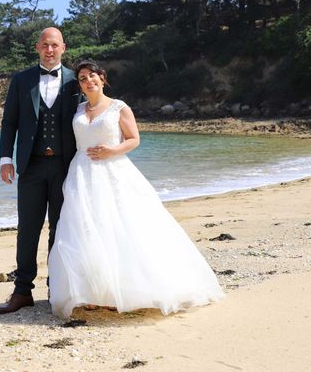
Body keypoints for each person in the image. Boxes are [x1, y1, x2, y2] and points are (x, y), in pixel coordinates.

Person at [48, 60, 225, 318]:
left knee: (118, 227)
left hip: (112, 170)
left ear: (103, 78)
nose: (89, 81)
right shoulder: (78, 109)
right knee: (85, 229)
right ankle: (93, 292)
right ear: (80, 84)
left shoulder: (118, 107)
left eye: (93, 76)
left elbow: (134, 139)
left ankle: (120, 291)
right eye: (83, 78)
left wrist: (111, 150)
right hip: (81, 173)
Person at [0, 27, 80, 314]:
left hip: (64, 166)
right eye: (45, 44)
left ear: (63, 48)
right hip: (30, 166)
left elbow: (89, 116)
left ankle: (56, 288)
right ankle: (22, 291)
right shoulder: (21, 80)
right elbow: (9, 122)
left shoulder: (75, 81)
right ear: (37, 47)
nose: (49, 49)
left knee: (60, 228)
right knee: (27, 230)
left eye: (54, 45)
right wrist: (5, 159)